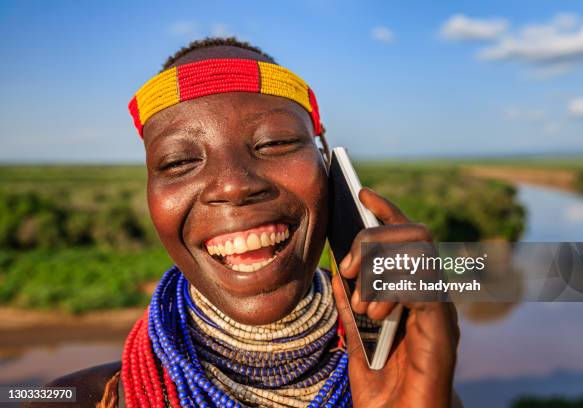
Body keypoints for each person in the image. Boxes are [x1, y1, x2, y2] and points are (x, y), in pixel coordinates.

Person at [33, 37, 461, 408]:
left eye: (275, 143)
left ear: (327, 166)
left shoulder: (411, 382)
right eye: (180, 161)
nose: (234, 186)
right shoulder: (78, 398)